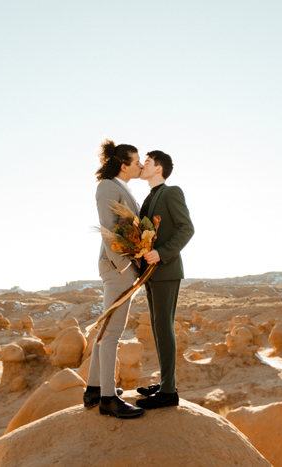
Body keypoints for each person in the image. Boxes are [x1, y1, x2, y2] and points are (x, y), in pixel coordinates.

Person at [84, 139, 145, 419]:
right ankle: (108, 399)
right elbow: (108, 229)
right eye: (136, 162)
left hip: (120, 267)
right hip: (116, 267)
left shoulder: (120, 187)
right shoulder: (108, 186)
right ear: (123, 165)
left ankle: (94, 389)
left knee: (106, 329)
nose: (141, 165)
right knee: (112, 333)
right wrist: (123, 266)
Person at [135, 150, 194, 409]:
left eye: (146, 162)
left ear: (159, 168)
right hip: (151, 272)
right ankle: (165, 382)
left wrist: (162, 253)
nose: (142, 165)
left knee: (164, 328)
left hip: (166, 269)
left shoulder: (172, 192)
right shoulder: (150, 196)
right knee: (158, 329)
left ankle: (169, 391)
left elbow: (186, 228)